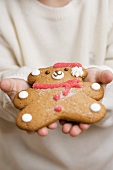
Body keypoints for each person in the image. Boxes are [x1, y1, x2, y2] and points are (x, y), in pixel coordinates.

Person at [0, 0, 113, 169]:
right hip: (23, 163)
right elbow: (3, 74)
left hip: (100, 162)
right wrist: (16, 94)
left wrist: (102, 86)